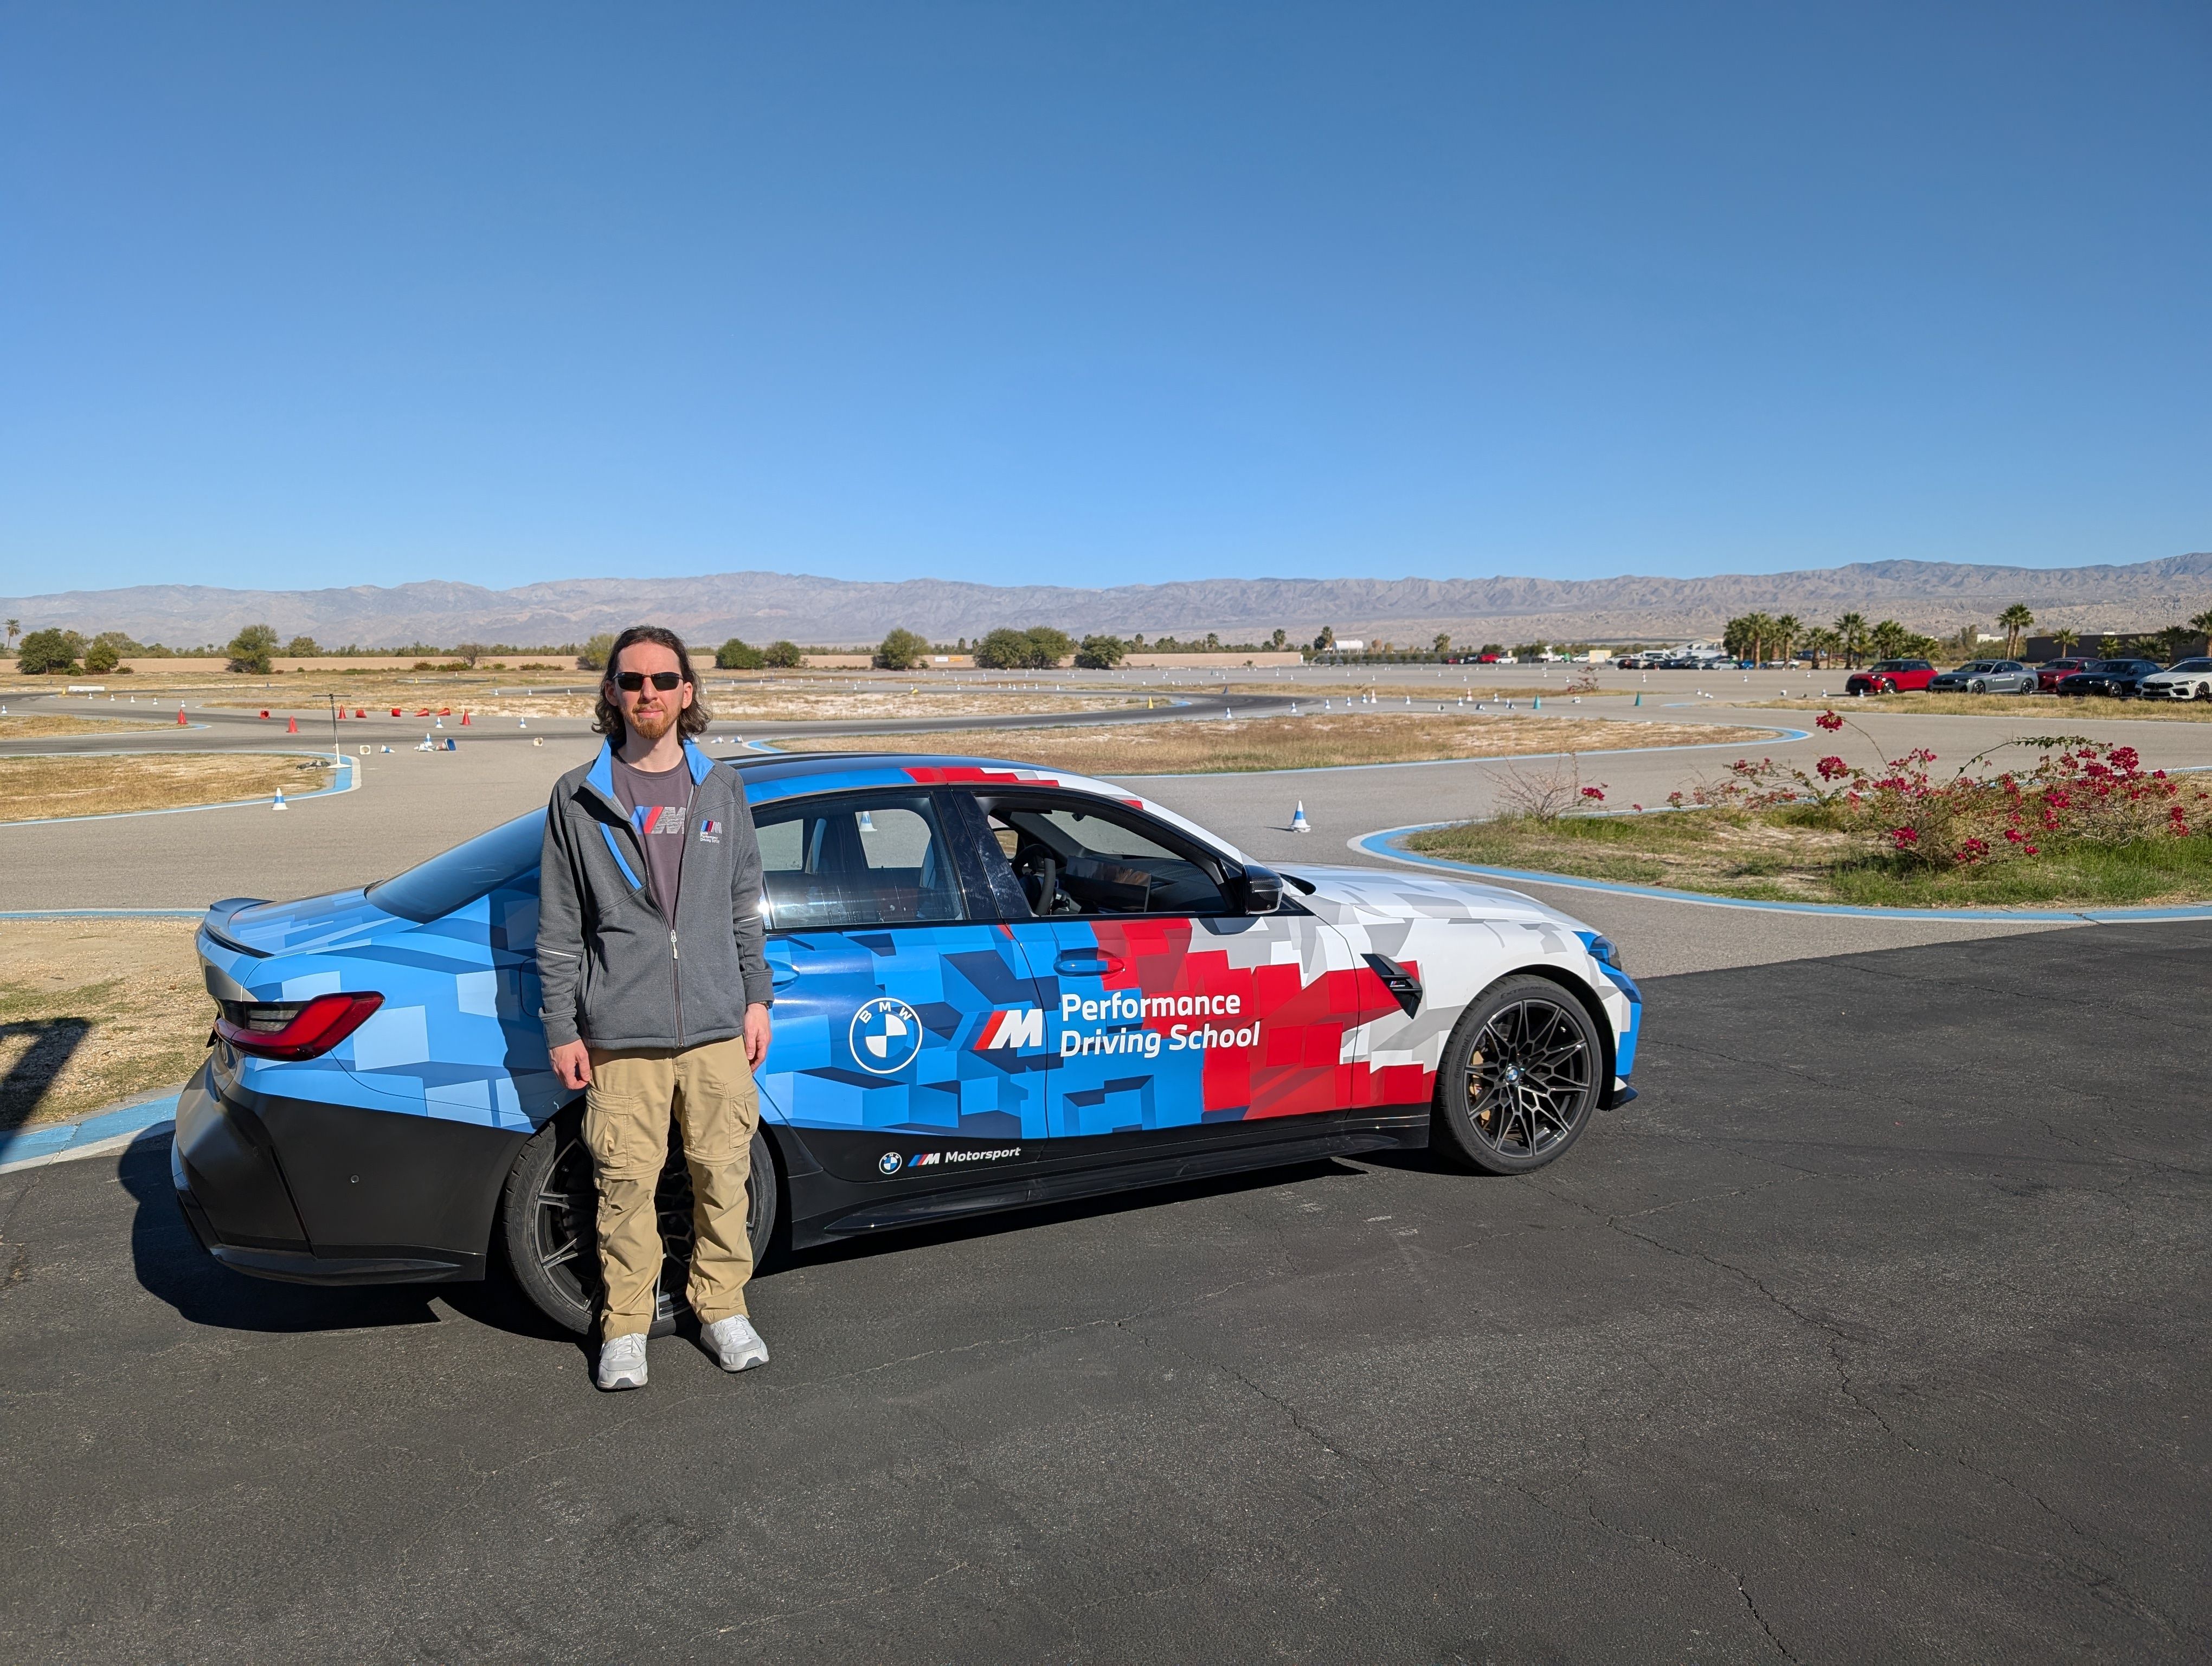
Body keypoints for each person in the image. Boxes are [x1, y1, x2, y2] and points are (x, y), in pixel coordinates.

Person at [536, 624, 774, 1391]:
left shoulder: (722, 788)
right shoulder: (577, 797)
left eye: (665, 681)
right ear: (610, 692)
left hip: (714, 1025)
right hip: (622, 1033)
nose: (649, 694)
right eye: (633, 681)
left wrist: (756, 998)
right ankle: (626, 1327)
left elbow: (745, 907)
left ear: (688, 692)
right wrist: (561, 1028)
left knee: (722, 1174)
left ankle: (722, 1308)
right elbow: (558, 930)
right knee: (624, 1186)